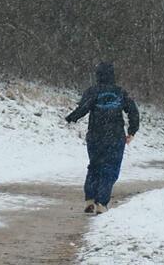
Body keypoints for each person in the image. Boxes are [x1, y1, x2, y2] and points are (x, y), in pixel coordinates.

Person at [65, 62, 139, 215]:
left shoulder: (92, 91)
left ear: (97, 75)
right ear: (112, 75)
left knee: (94, 167)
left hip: (95, 136)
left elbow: (83, 108)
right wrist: (132, 131)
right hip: (115, 137)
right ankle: (101, 204)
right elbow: (133, 111)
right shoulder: (120, 93)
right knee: (110, 169)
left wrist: (70, 118)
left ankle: (90, 199)